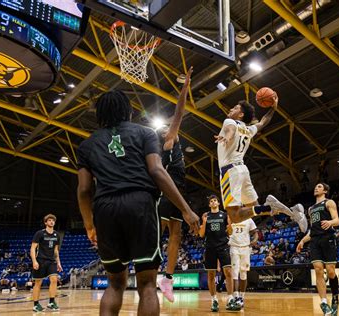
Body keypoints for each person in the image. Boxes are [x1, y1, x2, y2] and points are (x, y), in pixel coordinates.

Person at [76, 89, 199, 316]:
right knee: (147, 285)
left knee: (114, 285)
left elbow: (84, 190)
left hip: (105, 209)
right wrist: (186, 209)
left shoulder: (87, 145)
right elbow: (157, 171)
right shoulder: (145, 133)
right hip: (140, 204)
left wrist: (89, 224)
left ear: (99, 113)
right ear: (128, 110)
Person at [214, 98, 307, 232]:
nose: (230, 109)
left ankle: (270, 207)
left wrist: (227, 137)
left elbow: (230, 129)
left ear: (240, 115)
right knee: (256, 208)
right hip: (242, 170)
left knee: (234, 216)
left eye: (234, 108)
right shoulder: (249, 129)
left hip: (230, 171)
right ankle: (293, 212)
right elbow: (264, 121)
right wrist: (273, 108)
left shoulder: (229, 121)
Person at [157, 68, 193, 302]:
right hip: (166, 193)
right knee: (157, 234)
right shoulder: (168, 143)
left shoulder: (173, 147)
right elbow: (179, 113)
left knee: (176, 236)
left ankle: (167, 278)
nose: (166, 129)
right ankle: (148, 266)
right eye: (164, 130)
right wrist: (184, 88)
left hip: (179, 192)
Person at [297, 183, 339, 316]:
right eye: (315, 186)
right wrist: (302, 241)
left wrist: (330, 223)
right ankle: (323, 303)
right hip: (315, 240)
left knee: (331, 272)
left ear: (325, 191)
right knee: (318, 270)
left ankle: (335, 297)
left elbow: (337, 220)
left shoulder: (329, 202)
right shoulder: (310, 209)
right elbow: (312, 230)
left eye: (320, 187)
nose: (316, 188)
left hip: (328, 238)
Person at [199, 195, 240, 312]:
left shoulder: (224, 215)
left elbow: (230, 233)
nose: (213, 202)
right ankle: (214, 300)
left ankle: (230, 298)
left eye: (215, 201)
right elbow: (201, 234)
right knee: (211, 275)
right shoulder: (206, 216)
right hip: (210, 248)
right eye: (211, 201)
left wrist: (230, 224)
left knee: (228, 272)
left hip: (223, 246)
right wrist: (204, 222)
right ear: (209, 205)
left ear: (218, 203)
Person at [30, 214, 62, 312]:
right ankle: (36, 304)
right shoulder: (39, 233)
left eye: (53, 220)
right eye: (49, 220)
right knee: (38, 283)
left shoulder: (57, 235)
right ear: (45, 222)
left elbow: (56, 251)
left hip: (51, 261)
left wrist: (59, 263)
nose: (51, 222)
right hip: (40, 260)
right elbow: (32, 248)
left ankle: (51, 302)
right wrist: (34, 261)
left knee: (54, 279)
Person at [229, 217, 258, 308]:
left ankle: (242, 296)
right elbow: (227, 232)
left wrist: (255, 239)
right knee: (234, 273)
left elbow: (255, 232)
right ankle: (236, 296)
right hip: (234, 247)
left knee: (243, 273)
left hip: (245, 247)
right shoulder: (230, 217)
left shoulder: (248, 219)